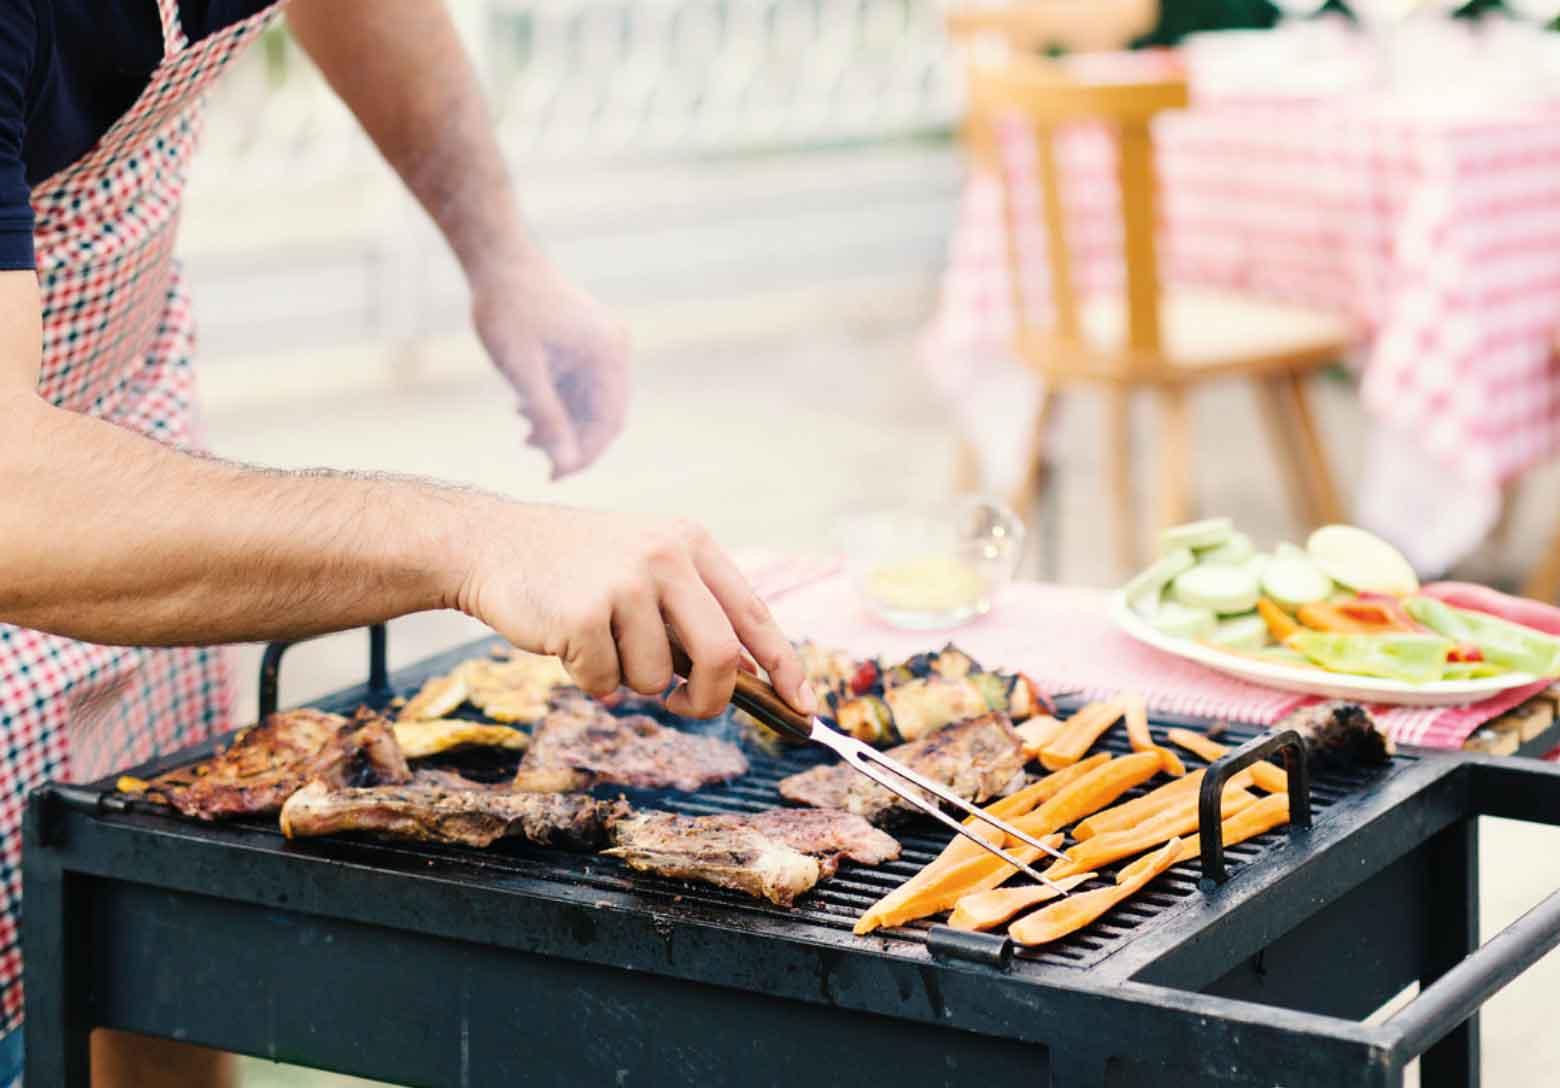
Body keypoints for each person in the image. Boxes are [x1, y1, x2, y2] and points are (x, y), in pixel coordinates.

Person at [0, 2, 815, 1085]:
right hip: (33, 491)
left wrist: (498, 249)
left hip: (131, 439)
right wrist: (472, 541)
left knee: (143, 937)